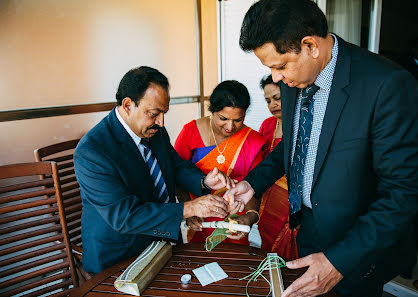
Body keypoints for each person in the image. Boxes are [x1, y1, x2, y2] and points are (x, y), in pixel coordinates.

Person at [226, 0, 418, 296]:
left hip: (357, 248)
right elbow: (294, 146)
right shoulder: (291, 80)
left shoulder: (386, 85)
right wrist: (252, 184)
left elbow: (403, 192)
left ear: (310, 45)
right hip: (307, 232)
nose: (276, 77)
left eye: (280, 65)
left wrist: (339, 262)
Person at [74, 66, 234, 274]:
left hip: (161, 242)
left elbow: (174, 165)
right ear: (128, 105)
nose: (161, 122)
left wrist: (204, 181)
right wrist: (190, 208)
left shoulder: (154, 130)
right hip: (119, 256)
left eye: (164, 113)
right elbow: (125, 216)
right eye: (154, 113)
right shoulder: (93, 151)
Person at [174, 80, 265, 245]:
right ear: (212, 110)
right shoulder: (190, 132)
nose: (230, 127)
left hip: (235, 221)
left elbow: (255, 185)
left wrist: (249, 217)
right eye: (223, 118)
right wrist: (188, 210)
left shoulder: (252, 141)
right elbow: (176, 175)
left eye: (238, 120)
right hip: (199, 220)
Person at [257, 74, 298, 260]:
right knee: (267, 240)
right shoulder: (267, 125)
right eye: (268, 100)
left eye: (277, 98)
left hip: (291, 198)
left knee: (290, 245)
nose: (272, 104)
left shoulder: (299, 124)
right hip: (268, 198)